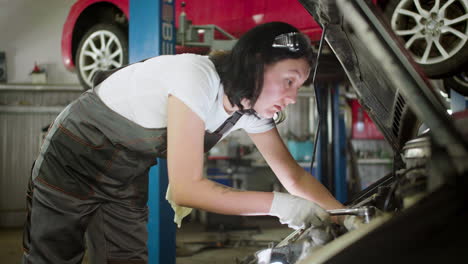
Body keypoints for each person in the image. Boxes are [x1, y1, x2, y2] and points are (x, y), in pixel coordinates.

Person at [22, 21, 345, 264]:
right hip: (71, 160)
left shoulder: (250, 109)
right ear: (256, 63)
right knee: (53, 257)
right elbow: (187, 188)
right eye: (289, 81)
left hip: (123, 177)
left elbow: (294, 177)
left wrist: (347, 219)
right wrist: (281, 205)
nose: (291, 98)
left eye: (298, 87)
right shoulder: (197, 76)